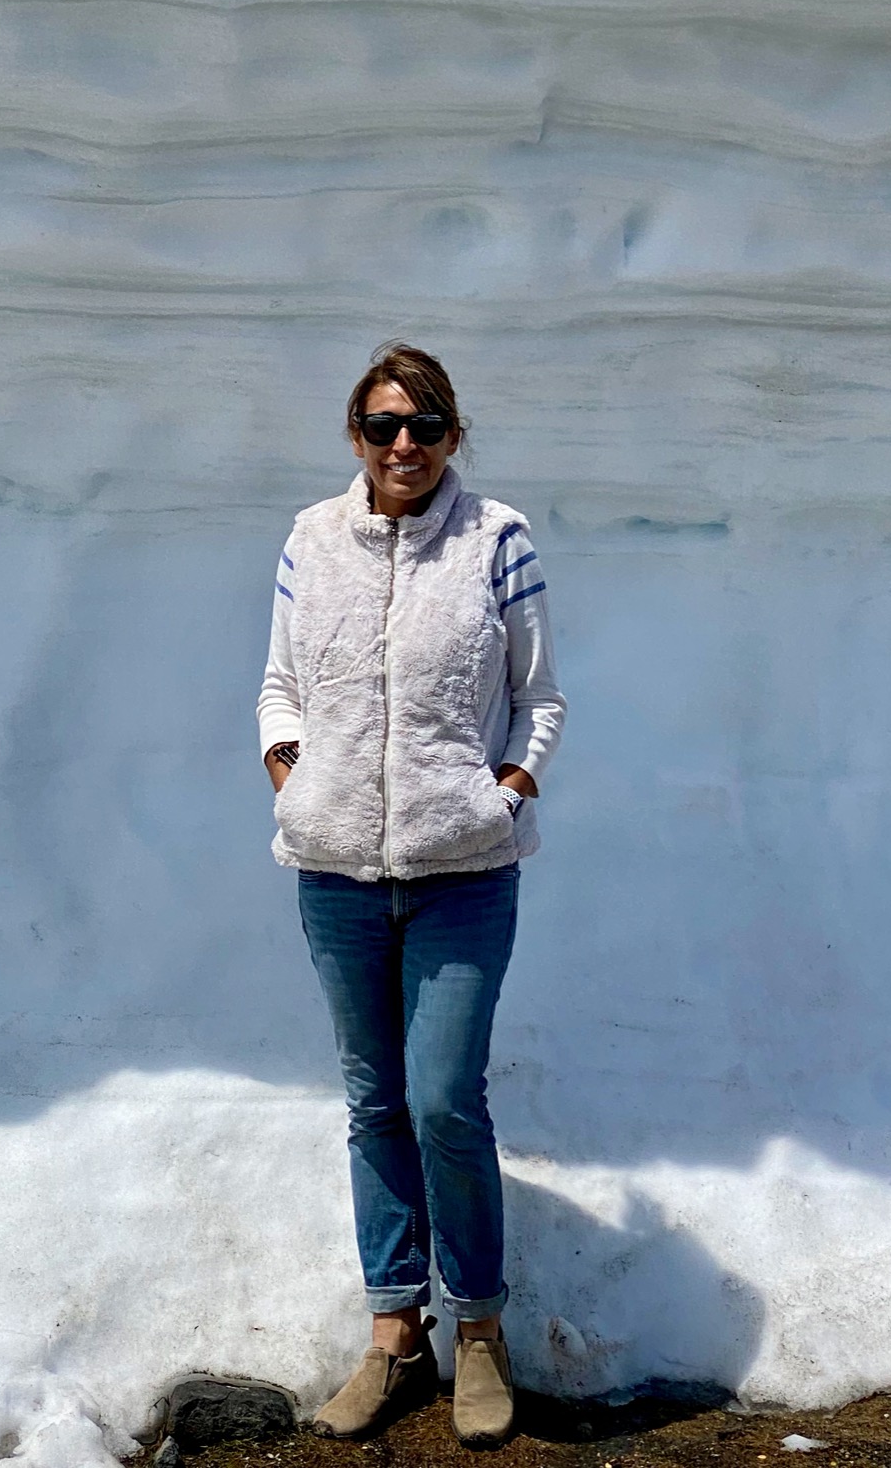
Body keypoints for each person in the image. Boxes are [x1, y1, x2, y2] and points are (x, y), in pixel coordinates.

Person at [258, 343, 565, 1447]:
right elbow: (281, 681)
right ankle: (395, 1327)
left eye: (427, 424)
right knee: (372, 1100)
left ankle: (478, 1328)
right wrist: (291, 778)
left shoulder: (498, 539)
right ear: (356, 432)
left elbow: (539, 695)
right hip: (335, 870)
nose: (405, 444)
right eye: (385, 423)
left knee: (443, 1096)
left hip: (464, 873)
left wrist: (508, 789)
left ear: (452, 434)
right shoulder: (310, 538)